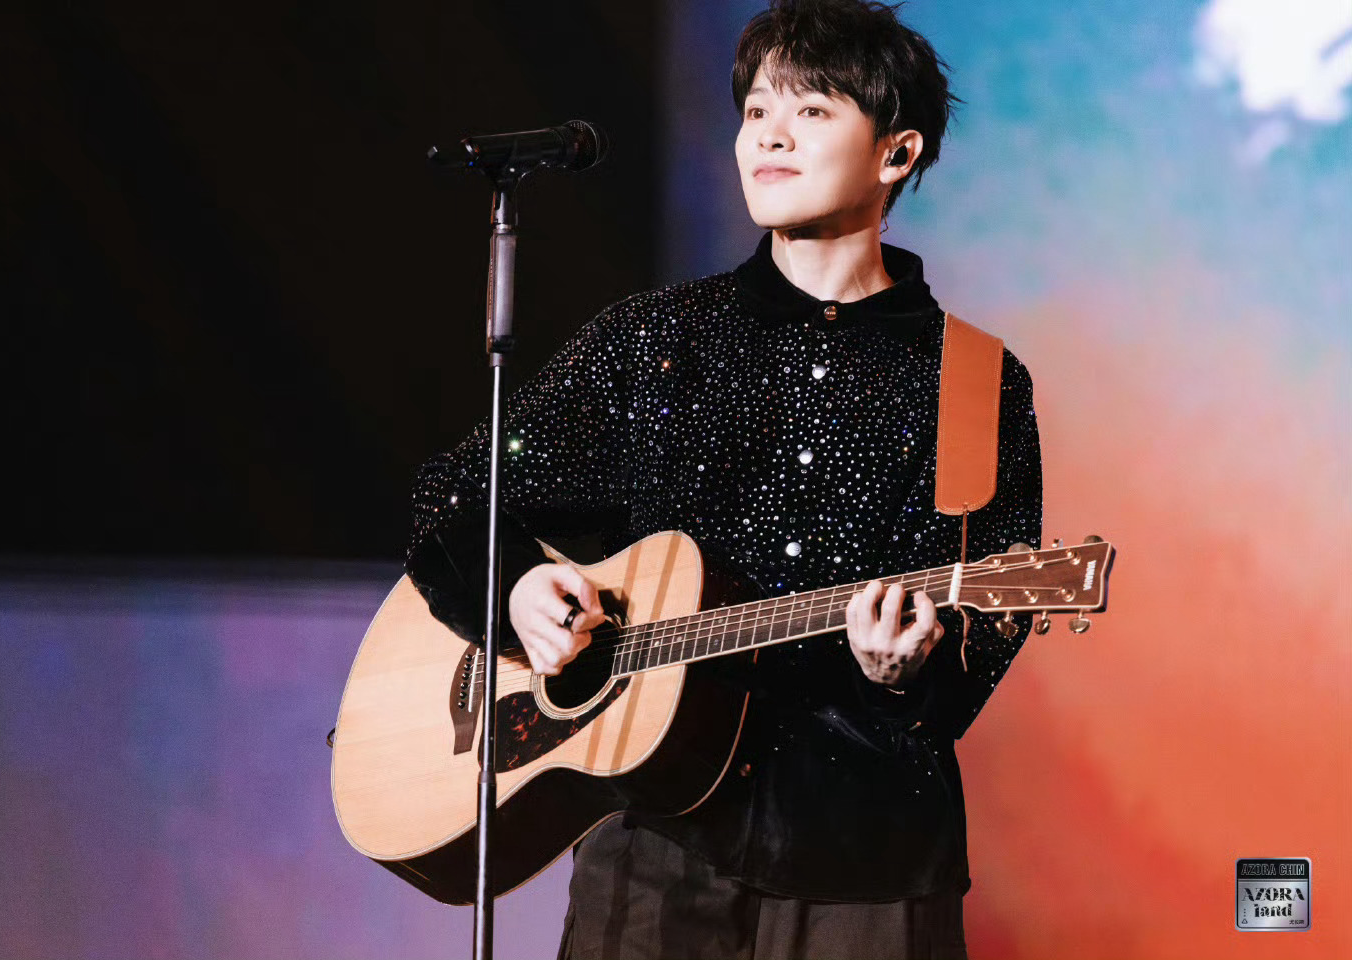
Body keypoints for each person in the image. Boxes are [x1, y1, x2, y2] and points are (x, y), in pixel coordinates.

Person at [405, 1, 1042, 956]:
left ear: (897, 152)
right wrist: (517, 589)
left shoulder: (975, 383)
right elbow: (453, 497)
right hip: (653, 844)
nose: (769, 136)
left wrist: (898, 676)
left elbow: (980, 638)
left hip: (864, 860)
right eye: (755, 111)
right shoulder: (654, 340)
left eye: (811, 110)